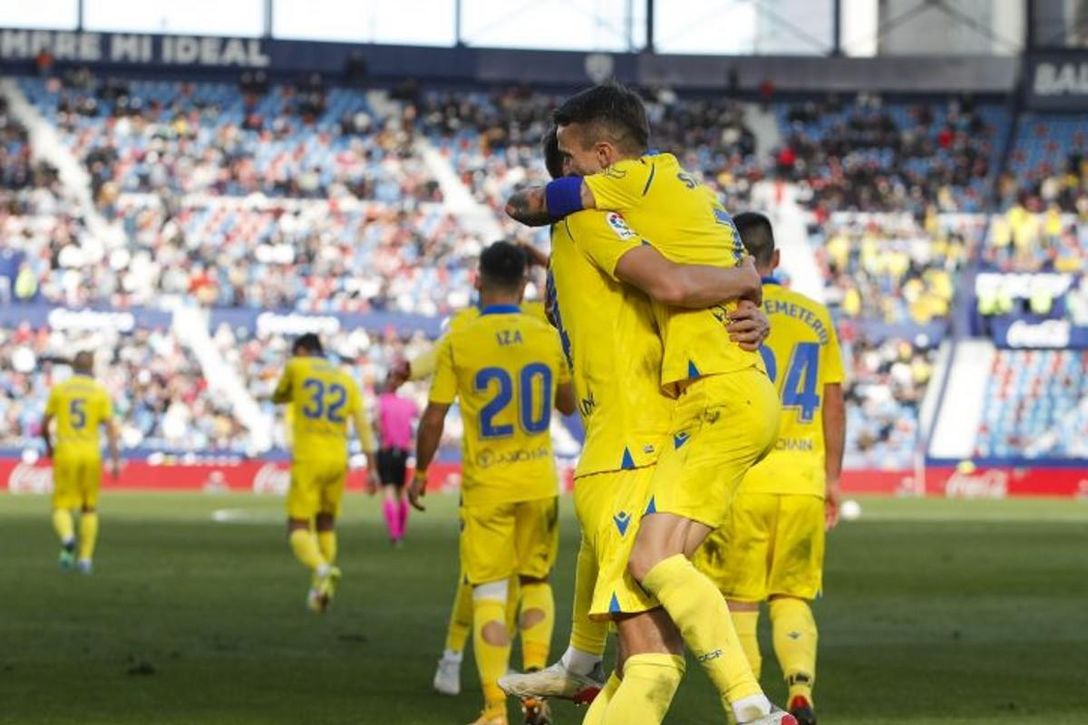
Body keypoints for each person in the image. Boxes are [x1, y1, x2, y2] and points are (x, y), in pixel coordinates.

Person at [506, 83, 791, 724]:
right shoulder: (596, 216)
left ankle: (584, 662)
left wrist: (749, 305)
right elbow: (672, 280)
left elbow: (669, 283)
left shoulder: (571, 247)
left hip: (617, 447)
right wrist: (748, 285)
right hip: (638, 442)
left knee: (647, 653)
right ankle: (747, 706)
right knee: (652, 658)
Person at [408, 241, 575, 725]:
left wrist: (420, 473)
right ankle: (535, 691)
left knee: (488, 593)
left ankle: (496, 708)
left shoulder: (462, 337)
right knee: (537, 581)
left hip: (487, 487)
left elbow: (434, 417)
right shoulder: (546, 332)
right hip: (539, 481)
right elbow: (567, 404)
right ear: (525, 284)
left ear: (478, 280)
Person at [695, 212, 846, 725]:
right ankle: (800, 690)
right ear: (775, 259)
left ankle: (755, 710)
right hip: (803, 480)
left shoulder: (724, 311)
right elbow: (833, 403)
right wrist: (833, 479)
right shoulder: (815, 316)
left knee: (738, 604)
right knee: (792, 597)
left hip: (744, 478)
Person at [272, 333, 378, 613]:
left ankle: (320, 568)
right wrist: (371, 468)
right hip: (338, 458)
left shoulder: (298, 367)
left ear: (303, 351)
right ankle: (321, 589)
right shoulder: (347, 379)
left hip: (310, 455)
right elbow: (364, 427)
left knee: (297, 526)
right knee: (326, 523)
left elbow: (278, 396)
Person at [41, 351, 120, 574]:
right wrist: (115, 460)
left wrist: (49, 446)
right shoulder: (99, 392)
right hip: (90, 454)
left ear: (73, 366)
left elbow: (45, 424)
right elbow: (111, 429)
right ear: (92, 366)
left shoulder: (60, 389)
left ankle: (67, 537)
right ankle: (85, 560)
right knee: (89, 508)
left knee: (61, 507)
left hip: (65, 452)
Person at [375, 373, 419, 546]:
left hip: (387, 449)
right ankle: (401, 530)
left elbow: (377, 424)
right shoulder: (408, 404)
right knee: (402, 492)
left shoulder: (382, 402)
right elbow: (416, 422)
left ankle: (394, 533)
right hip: (403, 451)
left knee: (388, 490)